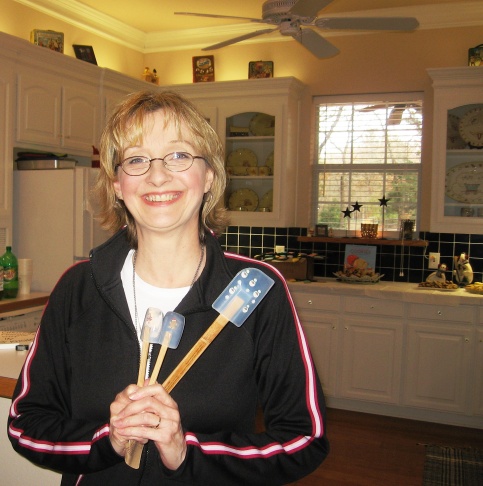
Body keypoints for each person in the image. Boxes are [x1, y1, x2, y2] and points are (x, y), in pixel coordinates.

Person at [8, 90, 329, 485]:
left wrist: (187, 451)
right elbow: (25, 425)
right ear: (117, 184)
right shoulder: (78, 289)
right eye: (136, 159)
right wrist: (108, 440)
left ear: (209, 176)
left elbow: (304, 439)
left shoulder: (258, 290)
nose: (157, 176)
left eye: (178, 155)